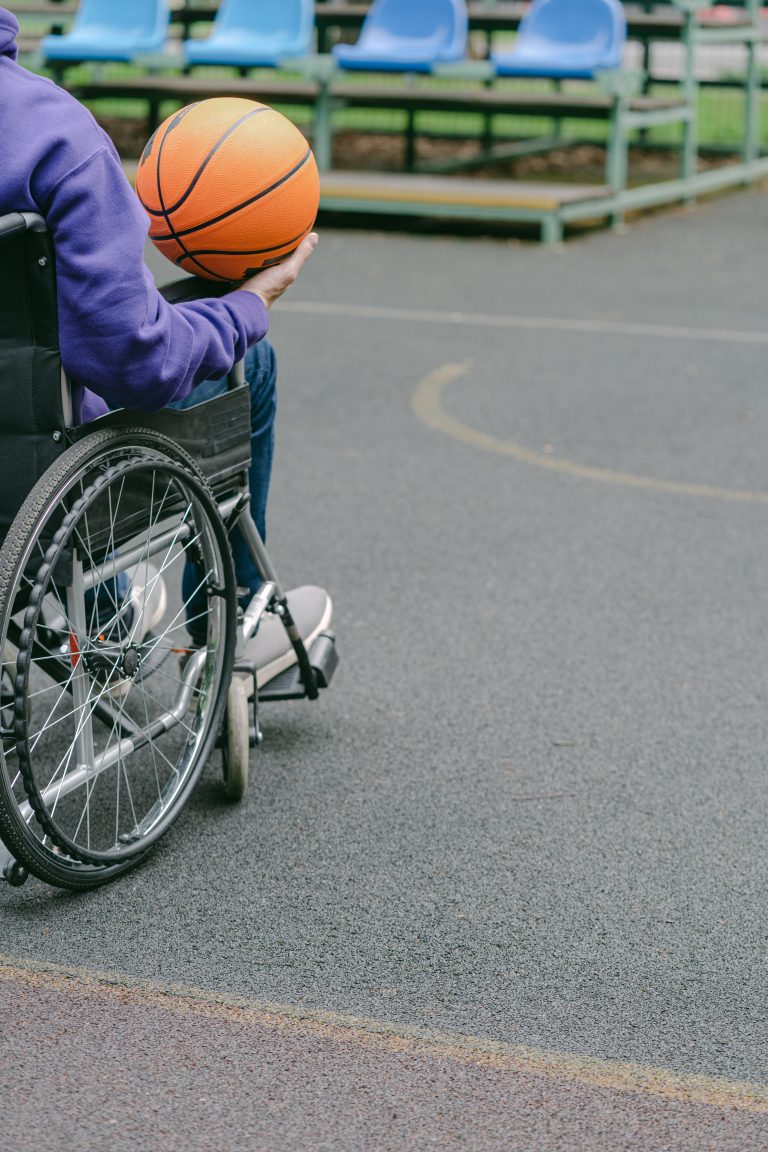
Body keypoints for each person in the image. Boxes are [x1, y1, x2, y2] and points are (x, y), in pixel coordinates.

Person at [0, 7, 330, 681]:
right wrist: (245, 308)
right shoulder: (50, 132)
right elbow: (135, 362)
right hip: (25, 480)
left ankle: (111, 614)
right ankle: (229, 625)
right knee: (249, 361)